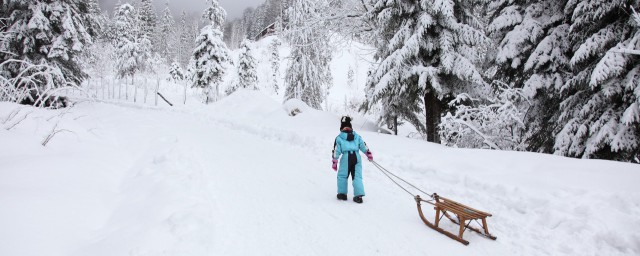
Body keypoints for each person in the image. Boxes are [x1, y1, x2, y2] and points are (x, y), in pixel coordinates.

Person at [332, 116, 373, 203]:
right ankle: (358, 196)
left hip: (346, 157)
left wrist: (335, 161)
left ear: (341, 127)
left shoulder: (339, 138)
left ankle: (342, 194)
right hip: (356, 157)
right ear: (350, 126)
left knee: (342, 175)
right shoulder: (357, 136)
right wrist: (368, 153)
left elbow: (336, 150)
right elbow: (363, 145)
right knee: (357, 176)